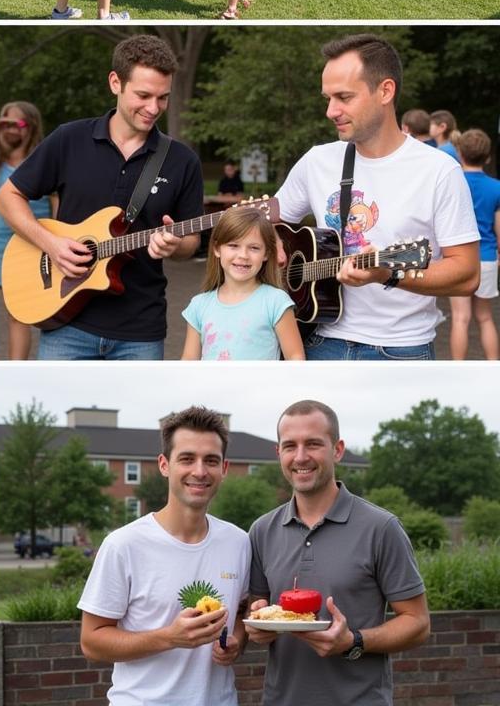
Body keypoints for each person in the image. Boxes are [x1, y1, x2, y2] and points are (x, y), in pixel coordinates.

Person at [0, 35, 204, 360]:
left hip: (141, 330)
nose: (153, 108)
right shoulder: (69, 139)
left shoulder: (183, 161)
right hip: (66, 323)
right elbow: (8, 197)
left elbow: (191, 240)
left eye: (163, 98)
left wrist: (177, 246)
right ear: (115, 83)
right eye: (143, 95)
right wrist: (51, 244)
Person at [275, 34, 480, 359]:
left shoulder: (439, 170)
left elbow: (467, 274)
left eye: (343, 97)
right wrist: (271, 241)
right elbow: (269, 220)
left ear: (385, 91)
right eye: (327, 98)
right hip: (316, 339)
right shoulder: (317, 161)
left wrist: (388, 273)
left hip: (402, 350)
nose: (331, 111)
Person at [248, 400, 430, 706]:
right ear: (278, 452)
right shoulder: (262, 531)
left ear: (337, 449)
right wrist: (257, 627)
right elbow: (256, 610)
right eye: (290, 445)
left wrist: (354, 641)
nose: (301, 456)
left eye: (314, 444)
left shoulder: (381, 527)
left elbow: (418, 622)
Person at [78, 407, 250, 706]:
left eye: (211, 460)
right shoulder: (123, 544)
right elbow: (91, 642)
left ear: (224, 468)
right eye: (186, 459)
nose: (199, 471)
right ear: (164, 465)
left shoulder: (239, 542)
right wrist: (169, 637)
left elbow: (243, 609)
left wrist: (236, 640)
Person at [182, 208, 303, 360]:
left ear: (266, 253)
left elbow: (296, 358)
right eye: (233, 245)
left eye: (254, 248)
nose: (243, 255)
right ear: (217, 248)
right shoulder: (199, 305)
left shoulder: (276, 302)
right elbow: (188, 365)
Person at [0, 101, 52, 360]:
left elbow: (57, 207)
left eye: (19, 124)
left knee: (18, 316)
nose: (10, 129)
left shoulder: (43, 162)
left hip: (29, 248)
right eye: (5, 123)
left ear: (32, 127)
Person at [448, 129, 500, 360]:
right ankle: (494, 369)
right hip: (487, 257)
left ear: (459, 152)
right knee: (485, 317)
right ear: (487, 157)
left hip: (457, 259)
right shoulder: (497, 187)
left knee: (460, 318)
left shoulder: (452, 182)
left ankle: (457, 369)